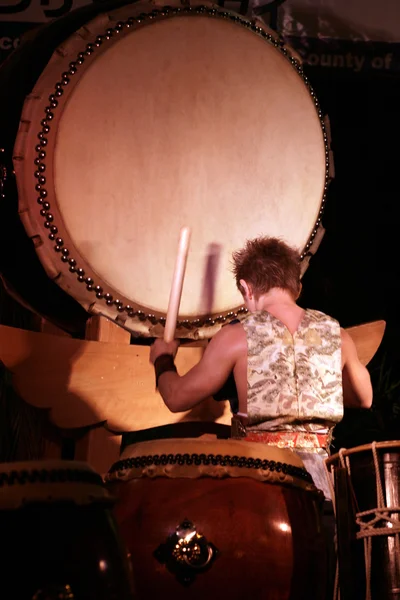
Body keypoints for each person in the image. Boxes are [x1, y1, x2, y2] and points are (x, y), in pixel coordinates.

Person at [150, 236, 373, 496]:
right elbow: (365, 397)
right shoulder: (338, 334)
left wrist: (162, 359)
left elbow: (176, 397)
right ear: (297, 287)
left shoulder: (236, 336)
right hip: (321, 481)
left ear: (246, 288)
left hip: (258, 477)